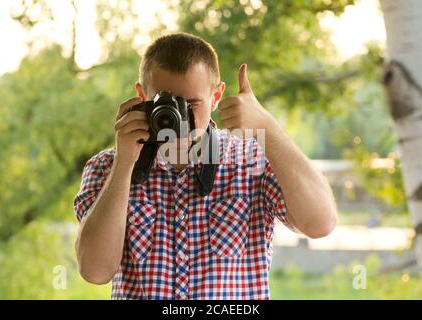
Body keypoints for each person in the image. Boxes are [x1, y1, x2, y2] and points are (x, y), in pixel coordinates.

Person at [73, 32, 337, 300]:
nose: (178, 116)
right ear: (142, 97)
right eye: (166, 104)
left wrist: (268, 128)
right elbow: (95, 271)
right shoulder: (107, 166)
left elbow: (321, 224)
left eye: (191, 104)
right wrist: (125, 163)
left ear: (216, 97)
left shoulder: (250, 160)